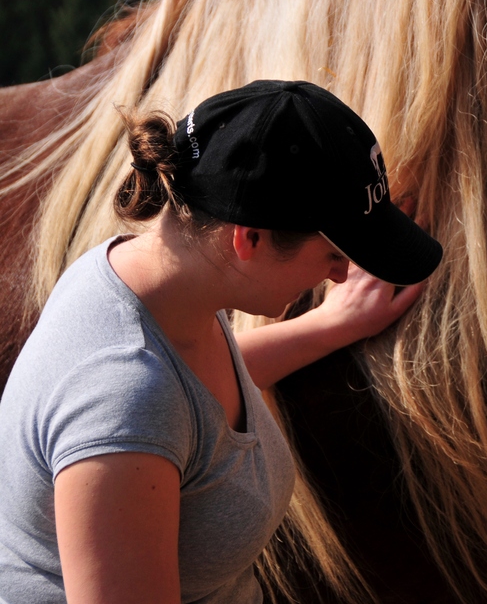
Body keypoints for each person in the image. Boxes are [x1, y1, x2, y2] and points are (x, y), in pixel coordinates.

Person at [0, 80, 443, 603]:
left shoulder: (145, 286)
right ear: (248, 237)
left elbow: (191, 402)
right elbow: (148, 406)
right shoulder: (120, 401)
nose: (342, 276)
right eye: (333, 254)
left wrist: (332, 324)